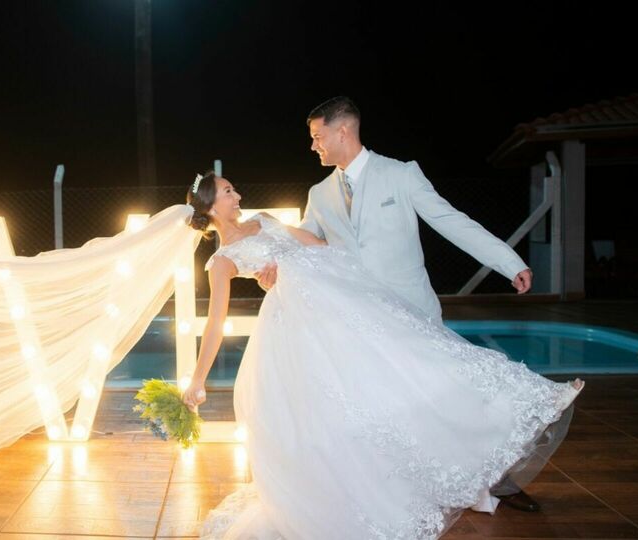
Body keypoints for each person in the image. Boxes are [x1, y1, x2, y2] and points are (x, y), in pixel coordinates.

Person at [180, 171, 583, 539]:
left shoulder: (265, 219)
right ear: (212, 206)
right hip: (297, 326)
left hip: (340, 303)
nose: (237, 194)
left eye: (234, 187)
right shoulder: (221, 262)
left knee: (402, 370)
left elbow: (317, 244)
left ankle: (478, 439)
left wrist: (292, 263)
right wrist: (198, 381)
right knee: (332, 408)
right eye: (229, 191)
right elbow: (215, 323)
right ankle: (356, 493)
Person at [255, 95, 541, 512]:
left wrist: (508, 261)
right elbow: (304, 244)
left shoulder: (401, 175)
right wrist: (275, 264)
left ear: (343, 131)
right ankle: (398, 492)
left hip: (414, 314)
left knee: (449, 400)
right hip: (360, 324)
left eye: (318, 137)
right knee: (379, 410)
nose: (313, 146)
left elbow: (452, 222)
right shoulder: (319, 194)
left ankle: (498, 481)